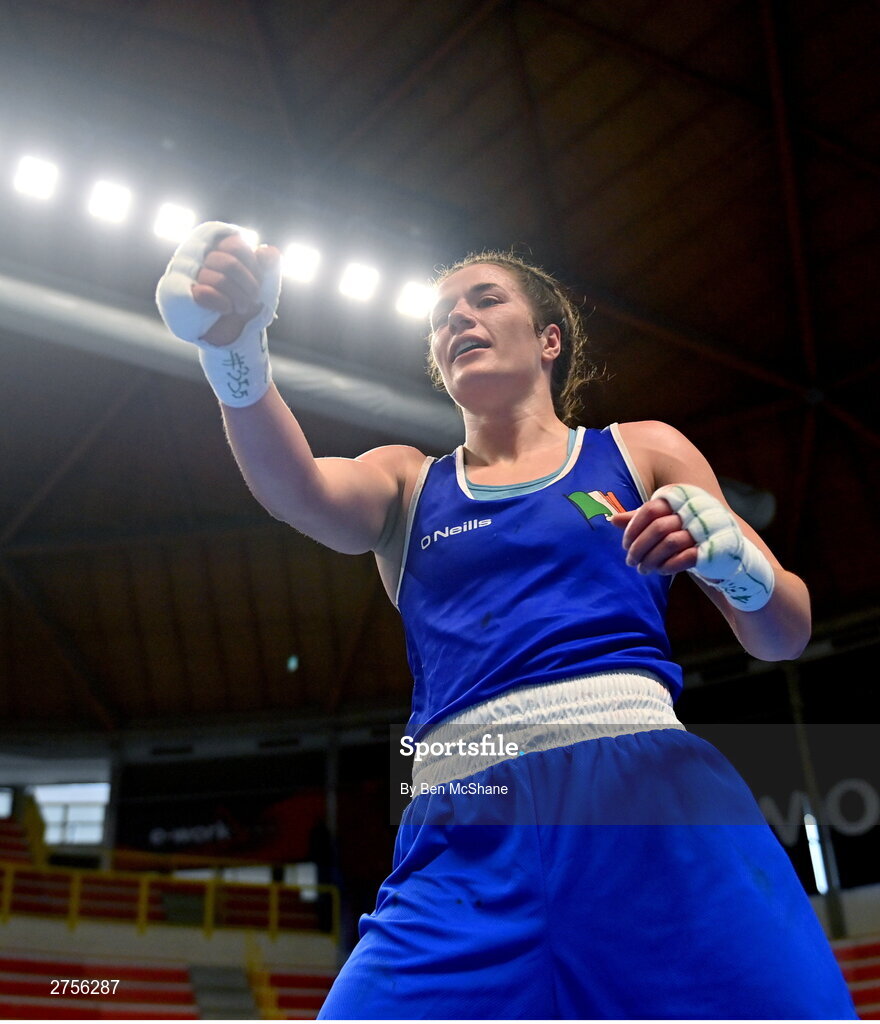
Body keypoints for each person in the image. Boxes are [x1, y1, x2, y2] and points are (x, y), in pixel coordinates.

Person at [156, 223, 856, 1019]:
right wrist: (234, 355)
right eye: (442, 315)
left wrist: (736, 562)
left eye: (484, 300)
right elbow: (301, 491)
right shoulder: (408, 482)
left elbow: (782, 632)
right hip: (465, 823)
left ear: (549, 338)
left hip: (650, 804)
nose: (457, 319)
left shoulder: (640, 449)